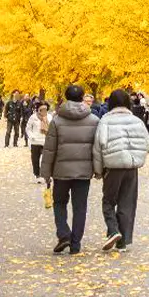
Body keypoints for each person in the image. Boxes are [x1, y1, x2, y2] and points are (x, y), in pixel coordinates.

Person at [41, 85, 99, 255]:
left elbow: (49, 149)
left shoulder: (57, 121)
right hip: (83, 172)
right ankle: (75, 244)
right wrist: (98, 170)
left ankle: (63, 233)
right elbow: (97, 148)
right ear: (83, 98)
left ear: (66, 98)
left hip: (61, 171)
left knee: (59, 203)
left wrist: (46, 173)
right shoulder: (94, 120)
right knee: (80, 207)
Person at [92, 89, 149, 252]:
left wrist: (98, 171)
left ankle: (113, 230)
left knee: (108, 201)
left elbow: (98, 147)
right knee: (127, 203)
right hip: (131, 167)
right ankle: (122, 242)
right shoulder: (136, 121)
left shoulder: (105, 121)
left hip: (112, 166)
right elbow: (146, 142)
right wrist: (138, 159)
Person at [26, 101, 50, 183]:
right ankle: (37, 175)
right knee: (35, 160)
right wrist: (32, 136)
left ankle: (46, 175)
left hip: (46, 141)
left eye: (45, 109)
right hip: (35, 142)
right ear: (38, 109)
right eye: (42, 109)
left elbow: (53, 128)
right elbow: (28, 128)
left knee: (46, 160)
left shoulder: (49, 117)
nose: (44, 111)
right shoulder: (33, 117)